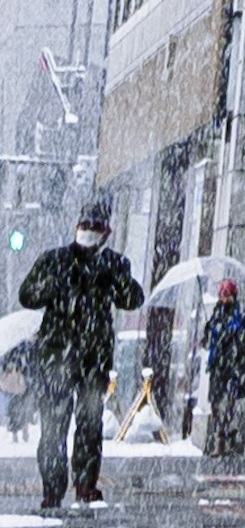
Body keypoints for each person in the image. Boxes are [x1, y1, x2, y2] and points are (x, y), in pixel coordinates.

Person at [20, 201, 142, 512]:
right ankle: (52, 488)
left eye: (95, 227)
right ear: (76, 227)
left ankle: (86, 484)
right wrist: (55, 284)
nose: (88, 231)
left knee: (89, 424)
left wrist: (114, 278)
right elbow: (28, 295)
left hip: (94, 358)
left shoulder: (114, 264)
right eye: (84, 225)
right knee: (53, 427)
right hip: (57, 357)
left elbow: (132, 299)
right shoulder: (55, 260)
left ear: (106, 232)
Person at [197, 271, 245, 460]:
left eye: (227, 294)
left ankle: (225, 438)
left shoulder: (242, 314)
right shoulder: (216, 314)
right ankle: (222, 435)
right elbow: (208, 340)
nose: (224, 298)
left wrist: (237, 343)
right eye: (221, 294)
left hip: (235, 366)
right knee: (216, 403)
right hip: (218, 365)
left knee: (230, 402)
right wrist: (208, 334)